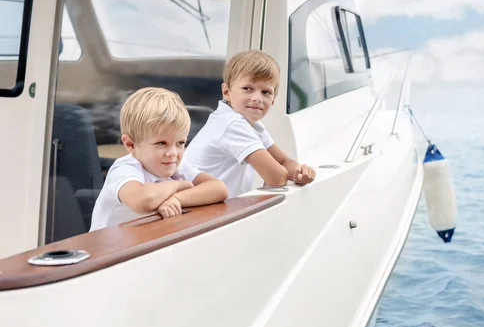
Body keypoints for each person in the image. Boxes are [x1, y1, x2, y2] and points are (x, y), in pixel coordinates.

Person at [89, 87, 229, 230]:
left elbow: (219, 189)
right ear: (131, 144)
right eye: (161, 143)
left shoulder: (176, 167)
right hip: (109, 250)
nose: (173, 153)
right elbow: (143, 201)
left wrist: (175, 199)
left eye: (180, 143)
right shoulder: (124, 169)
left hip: (147, 243)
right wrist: (176, 186)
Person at [182, 50, 316, 197]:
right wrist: (287, 173)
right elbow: (276, 177)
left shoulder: (252, 125)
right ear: (226, 92)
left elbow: (284, 161)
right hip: (194, 211)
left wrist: (299, 171)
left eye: (266, 92)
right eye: (247, 89)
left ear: (273, 99)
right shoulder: (231, 124)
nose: (257, 98)